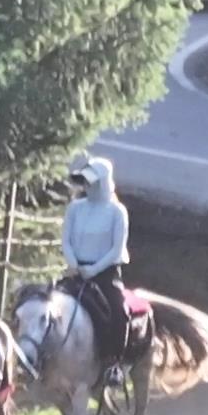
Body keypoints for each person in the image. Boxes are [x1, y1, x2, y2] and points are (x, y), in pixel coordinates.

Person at [61, 155, 132, 365]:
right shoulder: (75, 208)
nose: (87, 186)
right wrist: (74, 264)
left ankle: (114, 363)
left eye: (91, 181)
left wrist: (93, 270)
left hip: (105, 273)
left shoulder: (117, 212)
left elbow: (116, 248)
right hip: (75, 271)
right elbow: (66, 239)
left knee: (119, 311)